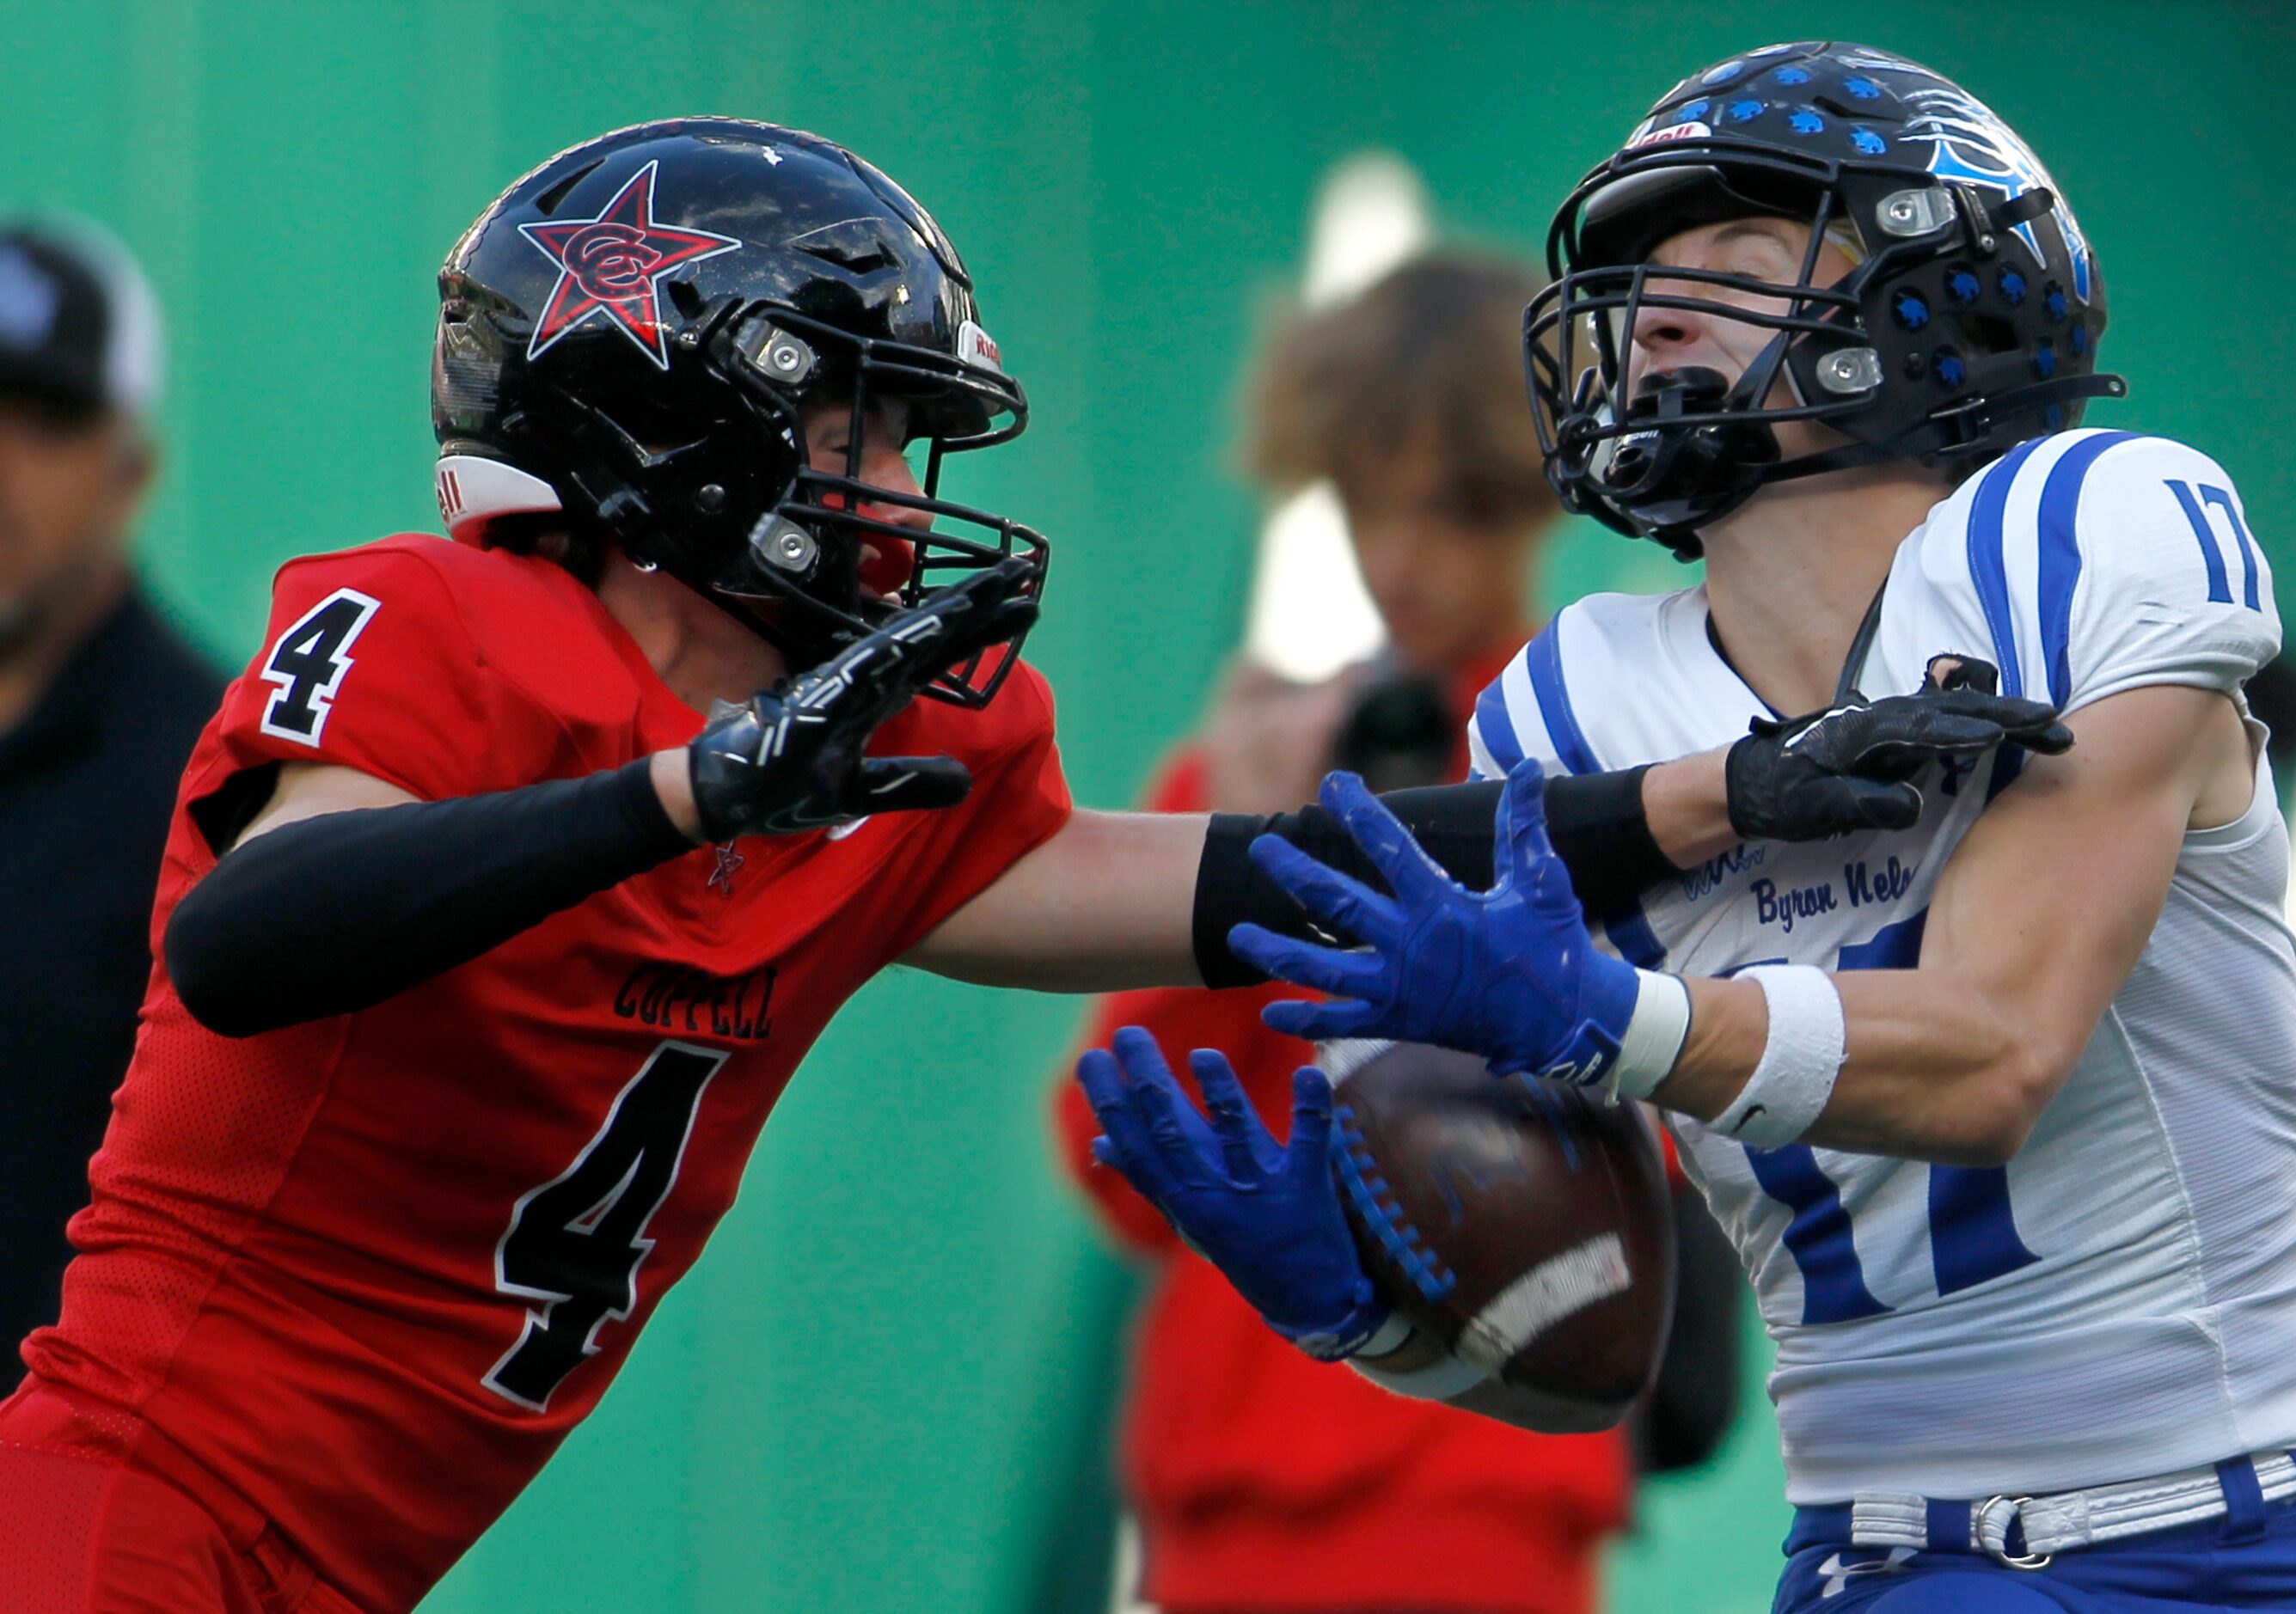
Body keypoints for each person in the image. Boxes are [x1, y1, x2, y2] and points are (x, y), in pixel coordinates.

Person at [0, 118, 2059, 1613]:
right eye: (866, 433)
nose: (902, 495)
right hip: (144, 1490)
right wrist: (697, 794)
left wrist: (1716, 799)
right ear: (683, 412)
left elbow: (1257, 879)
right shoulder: (447, 630)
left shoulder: (881, 769)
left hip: (356, 1547)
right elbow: (253, 941)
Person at [1076, 41, 2296, 1614]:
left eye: (1730, 258)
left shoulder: (2090, 533)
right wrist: (1384, 1316)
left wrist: (1606, 1014)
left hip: (2288, 1529)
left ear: (1939, 300)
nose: (1652, 308)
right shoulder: (1575, 711)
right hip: (1909, 1548)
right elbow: (1607, 1354)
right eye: (1642, 275)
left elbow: (1997, 1050)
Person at [1051, 253, 1737, 1614]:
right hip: (1226, 1497)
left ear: (1538, 498)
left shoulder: (1605, 763)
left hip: (1481, 1481)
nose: (1401, 558)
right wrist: (1244, 849)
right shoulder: (1267, 753)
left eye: (1459, 508)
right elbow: (1118, 1160)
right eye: (1369, 500)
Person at [0, 217, 223, 1352]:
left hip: (56, 1491)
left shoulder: (218, 777)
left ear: (130, 470)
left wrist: (55, 1519)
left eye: (44, 421)